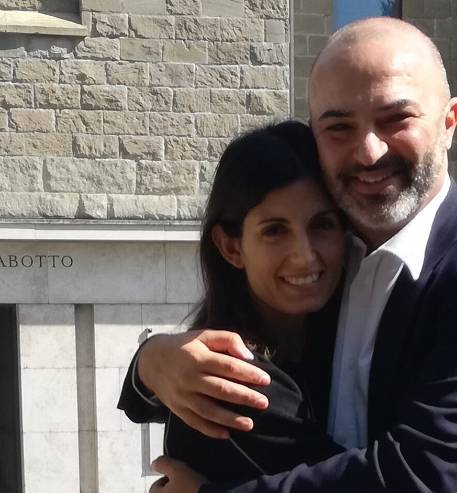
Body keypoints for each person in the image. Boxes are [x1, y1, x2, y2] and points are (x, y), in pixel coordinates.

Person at [120, 17, 457, 493]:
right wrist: (150, 363)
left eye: (396, 119)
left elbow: (414, 474)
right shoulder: (333, 270)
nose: (368, 152)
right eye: (339, 128)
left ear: (449, 122)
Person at [119, 121, 347, 483]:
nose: (305, 256)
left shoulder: (339, 339)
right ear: (231, 247)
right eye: (275, 231)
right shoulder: (234, 378)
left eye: (322, 224)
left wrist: (149, 358)